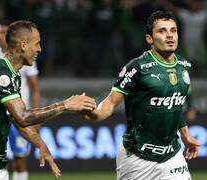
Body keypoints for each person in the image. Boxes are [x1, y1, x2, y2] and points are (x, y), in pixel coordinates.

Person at [0, 20, 96, 180]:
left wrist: (40, 145)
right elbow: (23, 117)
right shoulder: (0, 73)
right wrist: (65, 105)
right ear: (23, 45)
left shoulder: (10, 73)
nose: (39, 49)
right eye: (37, 44)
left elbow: (17, 119)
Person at [83, 11, 199, 180]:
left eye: (173, 30)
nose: (169, 36)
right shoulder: (137, 67)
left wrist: (185, 134)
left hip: (172, 156)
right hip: (137, 158)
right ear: (149, 39)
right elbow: (110, 103)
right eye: (162, 31)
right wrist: (92, 113)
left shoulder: (184, 66)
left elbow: (175, 105)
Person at [0, 21, 41, 180]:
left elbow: (35, 88)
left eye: (3, 33)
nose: (0, 36)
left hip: (19, 113)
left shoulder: (27, 55)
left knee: (20, 158)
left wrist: (36, 117)